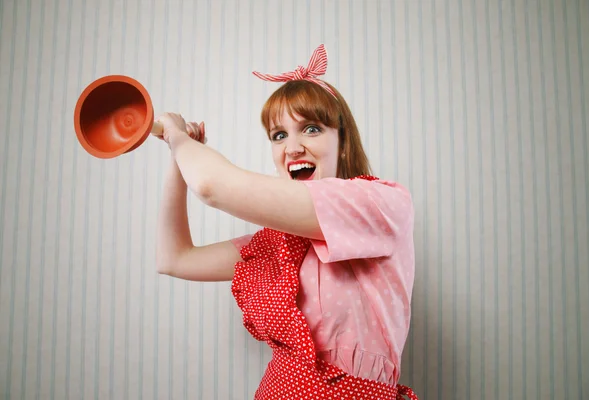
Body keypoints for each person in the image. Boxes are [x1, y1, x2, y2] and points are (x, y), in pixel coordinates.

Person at [154, 44, 418, 400]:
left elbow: (211, 185)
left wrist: (180, 138)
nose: (291, 148)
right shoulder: (275, 243)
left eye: (310, 129)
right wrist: (178, 155)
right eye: (279, 135)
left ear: (342, 142)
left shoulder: (381, 204)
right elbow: (174, 258)